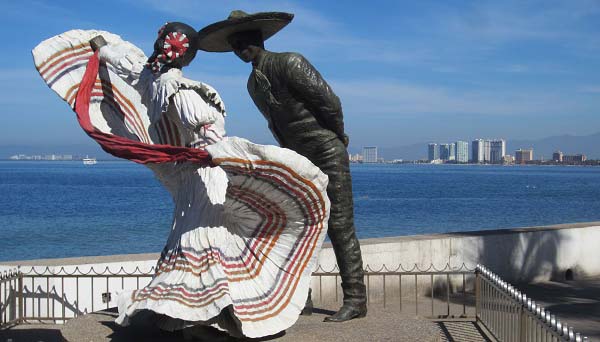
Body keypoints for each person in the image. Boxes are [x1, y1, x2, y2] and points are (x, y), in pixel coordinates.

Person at [33, 22, 330, 338]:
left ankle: (198, 311)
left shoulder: (151, 81)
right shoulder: (181, 92)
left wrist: (102, 48)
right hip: (206, 174)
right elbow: (209, 136)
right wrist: (239, 156)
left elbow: (127, 64)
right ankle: (211, 311)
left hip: (192, 176)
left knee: (194, 239)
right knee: (205, 239)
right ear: (187, 57)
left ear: (162, 46)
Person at [197, 11, 367, 322]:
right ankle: (302, 298)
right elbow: (275, 124)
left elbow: (329, 102)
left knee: (340, 226)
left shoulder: (290, 62)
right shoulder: (252, 84)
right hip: (295, 159)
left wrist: (337, 137)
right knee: (297, 225)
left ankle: (356, 299)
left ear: (259, 38)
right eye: (234, 44)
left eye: (244, 40)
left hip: (326, 151)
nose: (240, 48)